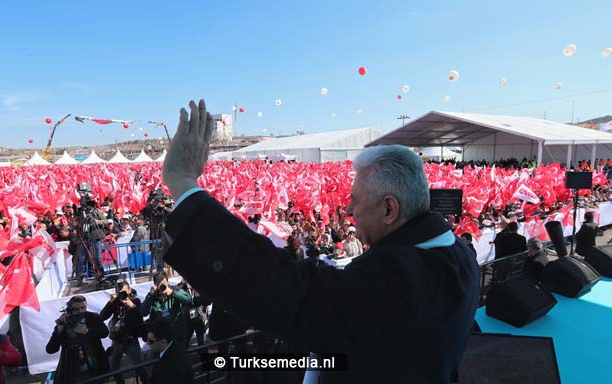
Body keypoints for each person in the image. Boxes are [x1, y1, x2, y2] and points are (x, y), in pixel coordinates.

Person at [161, 100, 480, 382]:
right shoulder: (459, 253)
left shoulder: (397, 281)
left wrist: (182, 182)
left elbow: (286, 289)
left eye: (356, 200)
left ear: (388, 208)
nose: (351, 210)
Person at [45, 295, 110, 384]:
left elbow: (105, 333)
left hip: (95, 364)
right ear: (70, 310)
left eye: (83, 308)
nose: (80, 311)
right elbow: (50, 349)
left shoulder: (93, 317)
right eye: (77, 309)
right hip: (73, 369)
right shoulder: (65, 322)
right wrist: (59, 330)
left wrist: (88, 331)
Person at [100, 280, 148, 384]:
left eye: (124, 292)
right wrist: (110, 303)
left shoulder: (135, 301)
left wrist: (132, 307)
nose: (122, 294)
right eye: (119, 292)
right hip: (117, 340)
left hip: (131, 340)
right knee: (113, 367)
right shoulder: (115, 302)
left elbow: (141, 318)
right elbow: (102, 316)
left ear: (129, 290)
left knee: (140, 367)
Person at [140, 271, 192, 346]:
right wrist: (150, 296)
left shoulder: (174, 289)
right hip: (160, 336)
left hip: (176, 332)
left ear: (167, 281)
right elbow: (143, 312)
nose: (162, 286)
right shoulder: (152, 295)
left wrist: (173, 292)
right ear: (155, 284)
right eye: (159, 284)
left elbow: (188, 300)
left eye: (164, 284)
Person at [144, 318, 194, 384]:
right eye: (147, 339)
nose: (147, 343)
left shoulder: (173, 366)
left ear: (163, 342)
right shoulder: (175, 346)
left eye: (151, 341)